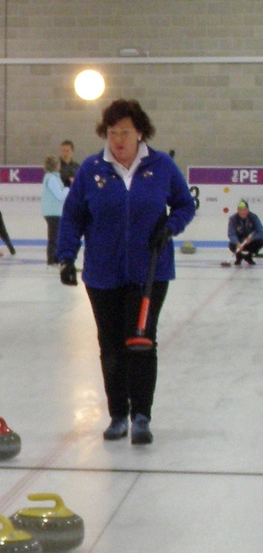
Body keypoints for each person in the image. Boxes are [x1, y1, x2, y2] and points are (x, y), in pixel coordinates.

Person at [57, 98, 195, 445]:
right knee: (111, 345)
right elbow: (73, 215)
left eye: (125, 132)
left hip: (150, 271)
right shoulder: (91, 170)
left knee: (141, 342)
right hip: (103, 274)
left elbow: (184, 203)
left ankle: (142, 416)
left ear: (139, 133)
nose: (117, 139)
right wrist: (66, 256)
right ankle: (118, 414)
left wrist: (171, 227)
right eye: (112, 132)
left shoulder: (161, 165)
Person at [42, 155, 70, 265]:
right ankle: (52, 259)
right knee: (53, 237)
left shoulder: (53, 177)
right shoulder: (52, 179)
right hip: (53, 212)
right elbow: (59, 195)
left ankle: (54, 258)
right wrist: (68, 188)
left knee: (55, 236)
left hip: (54, 211)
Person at [227, 200, 263, 265]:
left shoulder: (253, 217)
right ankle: (239, 256)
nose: (243, 212)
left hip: (250, 241)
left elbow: (261, 231)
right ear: (237, 210)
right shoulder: (233, 219)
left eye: (245, 210)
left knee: (261, 241)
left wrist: (252, 238)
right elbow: (231, 234)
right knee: (231, 245)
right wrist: (237, 243)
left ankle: (248, 256)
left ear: (248, 210)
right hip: (239, 242)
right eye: (240, 210)